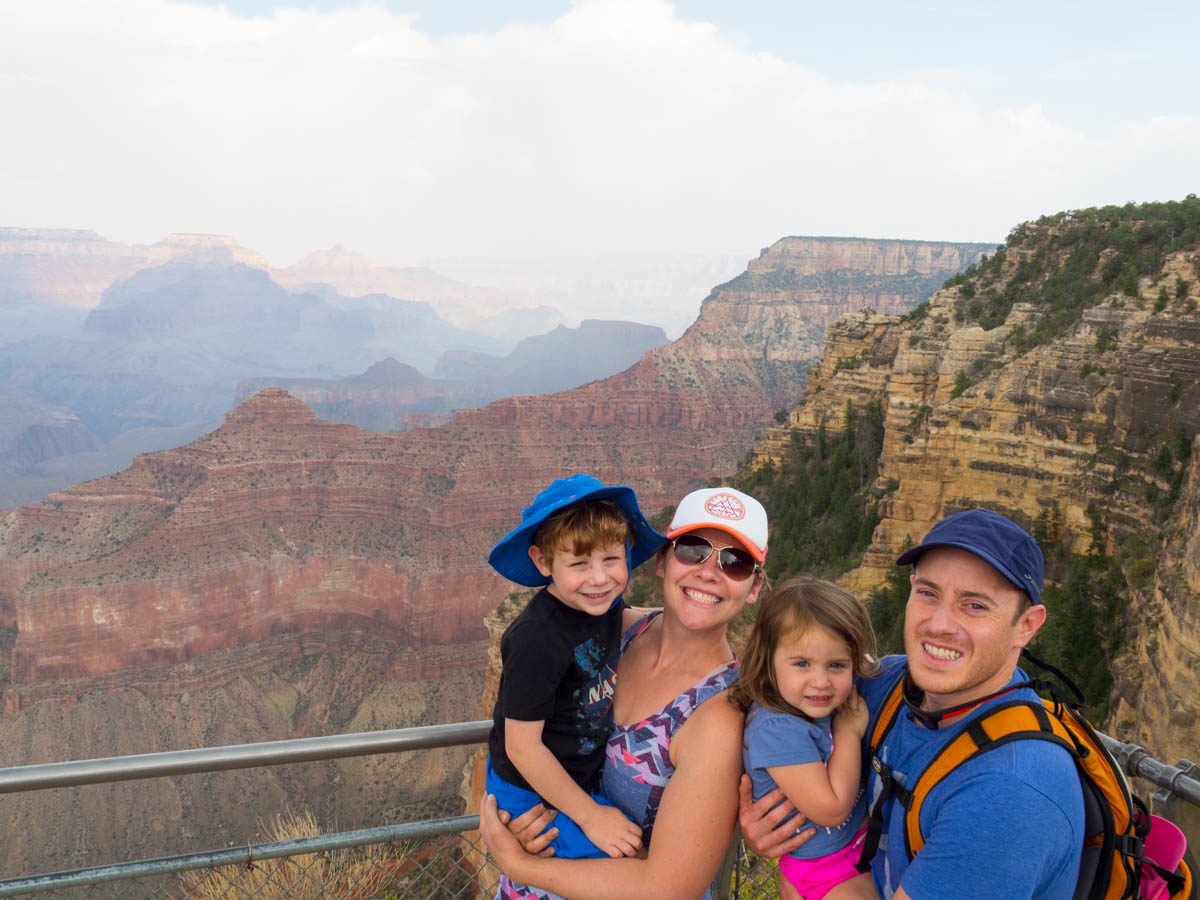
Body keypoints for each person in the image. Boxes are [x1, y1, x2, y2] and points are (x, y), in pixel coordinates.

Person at [739, 508, 1085, 899]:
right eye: (928, 593)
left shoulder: (1009, 794)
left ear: (1026, 625)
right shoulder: (885, 685)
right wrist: (774, 828)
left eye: (975, 605)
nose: (939, 624)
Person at [480, 486, 770, 899]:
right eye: (692, 549)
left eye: (735, 562)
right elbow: (523, 729)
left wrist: (516, 862)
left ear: (754, 586)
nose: (709, 571)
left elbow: (667, 889)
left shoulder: (719, 713)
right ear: (661, 561)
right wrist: (521, 814)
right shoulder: (616, 627)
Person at [486, 473, 667, 870]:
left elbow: (633, 618)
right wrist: (591, 816)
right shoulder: (537, 638)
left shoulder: (601, 605)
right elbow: (522, 747)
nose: (599, 578)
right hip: (531, 794)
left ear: (628, 551)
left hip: (575, 779)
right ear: (542, 561)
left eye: (611, 559)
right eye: (580, 563)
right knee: (641, 869)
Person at [729, 577, 878, 900]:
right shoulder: (777, 730)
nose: (821, 681)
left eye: (836, 665)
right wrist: (849, 732)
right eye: (802, 664)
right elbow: (832, 808)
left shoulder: (806, 706)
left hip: (853, 847)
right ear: (769, 661)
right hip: (825, 868)